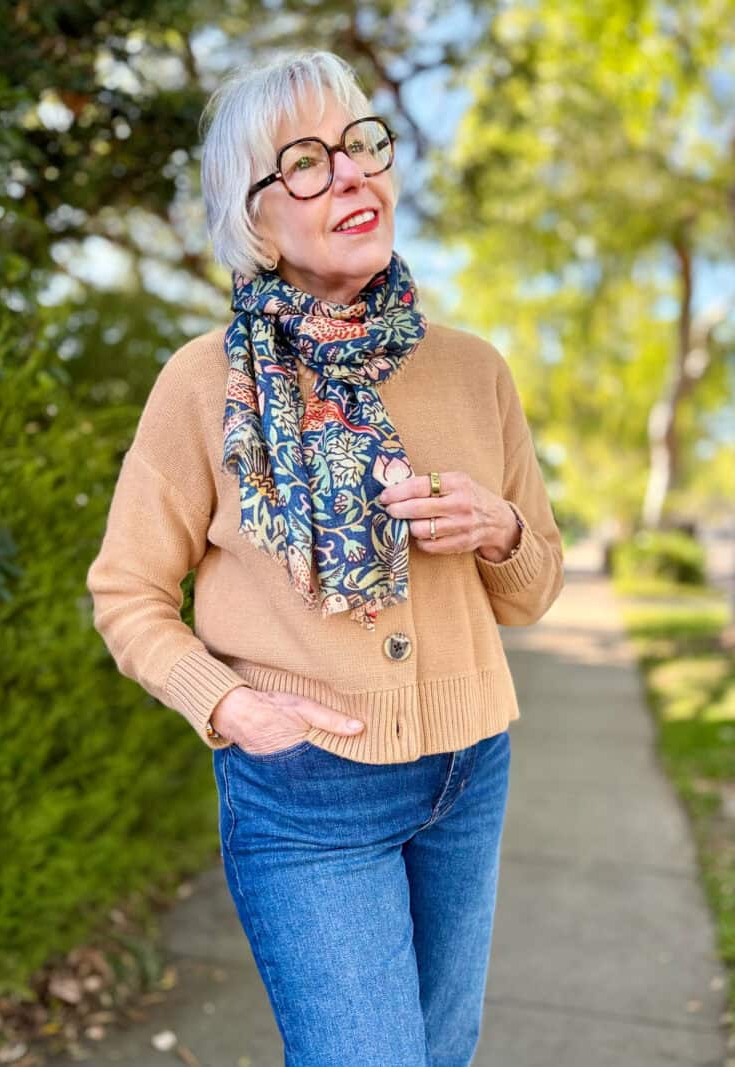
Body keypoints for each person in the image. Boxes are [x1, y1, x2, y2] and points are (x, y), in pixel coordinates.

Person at [86, 49, 565, 1067]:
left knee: (442, 1052)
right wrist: (227, 705)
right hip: (305, 788)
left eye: (360, 145)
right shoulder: (202, 384)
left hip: (470, 765)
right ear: (254, 217)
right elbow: (127, 592)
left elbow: (530, 595)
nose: (350, 173)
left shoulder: (474, 369)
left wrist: (499, 531)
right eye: (305, 161)